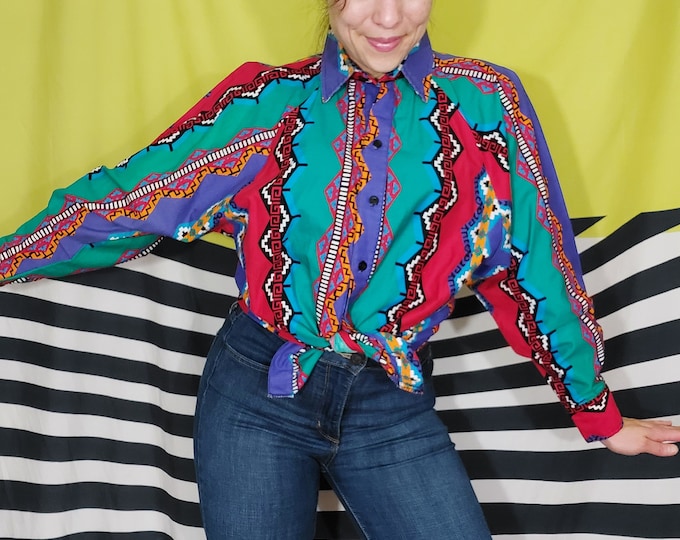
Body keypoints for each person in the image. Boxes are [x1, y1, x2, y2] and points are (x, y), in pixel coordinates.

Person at [1, 0, 679, 538]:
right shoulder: (269, 103)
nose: (388, 18)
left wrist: (598, 411)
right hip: (256, 394)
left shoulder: (486, 106)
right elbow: (128, 199)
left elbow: (539, 260)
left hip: (392, 403)